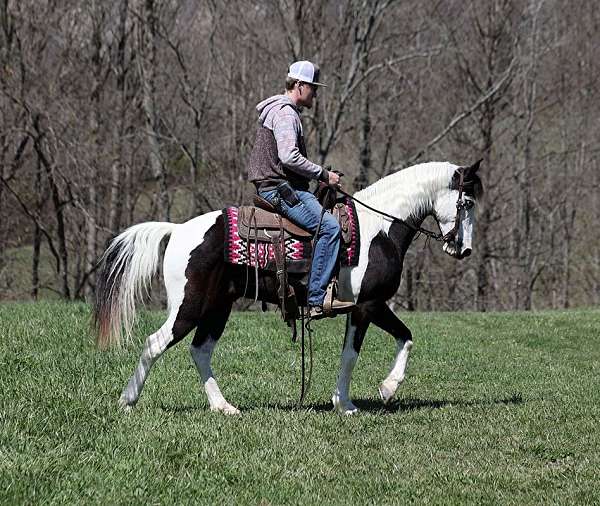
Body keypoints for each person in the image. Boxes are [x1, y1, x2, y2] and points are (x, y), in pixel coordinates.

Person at [247, 60, 354, 319]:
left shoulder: (280, 110)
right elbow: (289, 157)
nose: (315, 94)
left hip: (281, 185)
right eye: (313, 88)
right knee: (329, 228)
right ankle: (317, 299)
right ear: (299, 85)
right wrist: (323, 174)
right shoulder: (285, 114)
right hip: (278, 189)